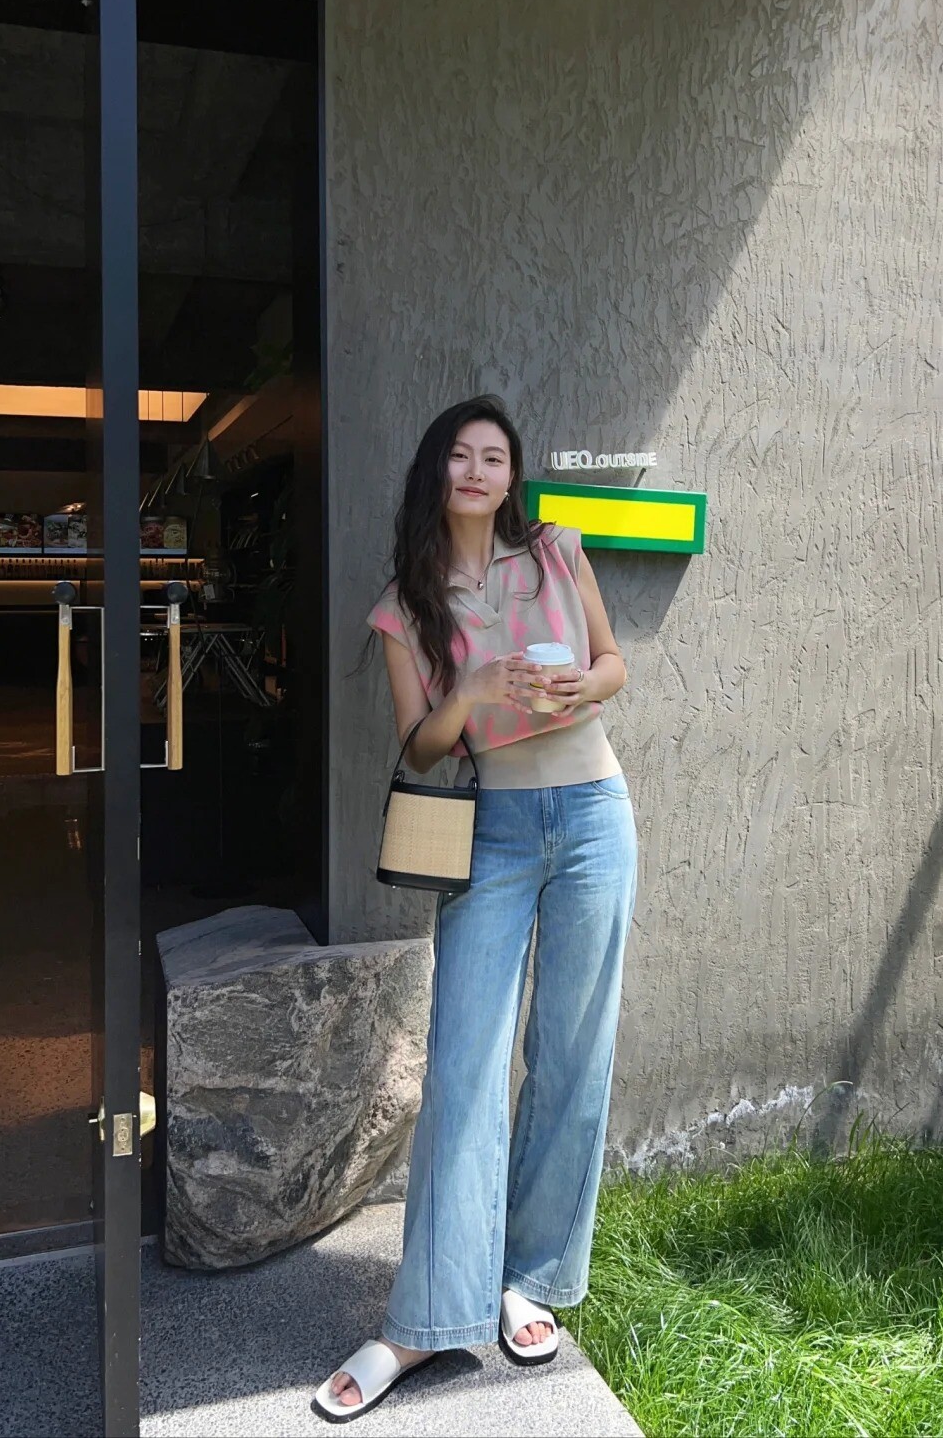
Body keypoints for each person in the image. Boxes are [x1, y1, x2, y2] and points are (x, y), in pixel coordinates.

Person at [313, 395, 637, 1423]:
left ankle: (530, 1280)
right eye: (460, 453)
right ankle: (424, 1319)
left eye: (495, 456)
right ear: (436, 471)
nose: (478, 469)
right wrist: (478, 689)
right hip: (492, 829)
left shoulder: (554, 551)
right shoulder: (406, 603)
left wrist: (574, 693)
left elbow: (613, 663)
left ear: (514, 474)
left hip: (592, 815)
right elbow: (419, 745)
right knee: (462, 1066)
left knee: (572, 1058)